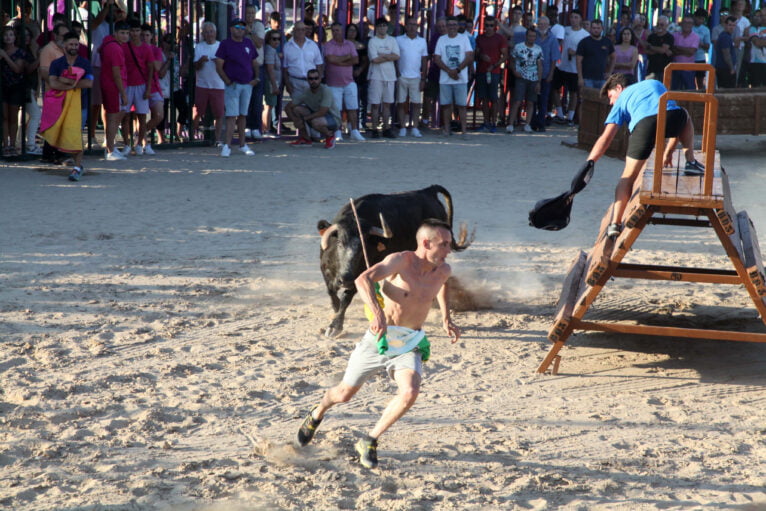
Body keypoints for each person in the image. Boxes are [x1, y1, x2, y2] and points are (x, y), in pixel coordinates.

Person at [295, 218, 460, 469]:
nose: (449, 250)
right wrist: (378, 312)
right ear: (426, 243)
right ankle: (316, 413)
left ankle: (370, 440)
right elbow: (363, 279)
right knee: (343, 394)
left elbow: (441, 287)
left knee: (410, 392)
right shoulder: (401, 261)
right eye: (445, 244)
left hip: (409, 341)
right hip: (379, 337)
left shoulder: (443, 270)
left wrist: (446, 317)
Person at [585, 74, 705, 239]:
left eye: (611, 96)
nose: (611, 102)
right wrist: (668, 151)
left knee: (627, 177)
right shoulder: (654, 83)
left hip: (644, 126)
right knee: (683, 113)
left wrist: (590, 162)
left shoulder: (622, 99)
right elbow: (670, 114)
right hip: (673, 118)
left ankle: (615, 224)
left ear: (619, 88)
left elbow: (606, 138)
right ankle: (690, 161)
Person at [41, 31, 93, 180]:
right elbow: (53, 82)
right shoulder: (57, 63)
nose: (74, 46)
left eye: (76, 44)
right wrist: (74, 84)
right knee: (62, 134)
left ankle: (77, 167)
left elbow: (89, 83)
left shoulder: (84, 63)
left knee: (76, 135)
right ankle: (70, 161)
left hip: (80, 105)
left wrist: (66, 81)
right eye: (71, 44)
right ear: (64, 45)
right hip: (60, 105)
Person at [215, 17, 259, 157]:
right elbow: (219, 65)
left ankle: (242, 144)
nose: (240, 30)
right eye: (237, 27)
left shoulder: (248, 43)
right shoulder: (225, 44)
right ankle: (227, 146)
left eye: (242, 28)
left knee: (242, 115)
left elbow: (255, 62)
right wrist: (227, 81)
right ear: (231, 29)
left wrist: (256, 78)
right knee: (231, 116)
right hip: (233, 85)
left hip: (247, 84)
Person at [324, 21, 363, 141]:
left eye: (338, 30)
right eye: (333, 30)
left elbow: (356, 60)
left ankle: (354, 131)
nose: (335, 33)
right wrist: (347, 57)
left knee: (353, 107)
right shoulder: (329, 45)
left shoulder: (349, 44)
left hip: (349, 81)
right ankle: (337, 132)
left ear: (342, 31)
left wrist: (339, 61)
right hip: (333, 83)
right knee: (337, 110)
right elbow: (330, 59)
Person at [434, 16, 473, 136]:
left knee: (461, 105)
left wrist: (457, 70)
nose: (452, 27)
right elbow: (436, 58)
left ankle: (464, 131)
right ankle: (447, 129)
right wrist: (449, 71)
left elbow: (469, 56)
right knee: (446, 105)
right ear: (447, 26)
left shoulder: (464, 38)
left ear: (458, 26)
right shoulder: (441, 39)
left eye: (454, 24)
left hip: (460, 78)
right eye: (450, 24)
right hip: (445, 78)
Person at [120, 17, 154, 155]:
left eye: (137, 30)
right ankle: (127, 144)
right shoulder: (124, 47)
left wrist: (149, 87)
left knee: (141, 116)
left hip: (141, 84)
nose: (134, 33)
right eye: (132, 31)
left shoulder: (146, 48)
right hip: (127, 85)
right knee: (126, 116)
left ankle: (140, 143)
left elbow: (151, 68)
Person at [284, 68, 340, 149]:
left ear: (320, 79)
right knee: (296, 109)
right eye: (311, 78)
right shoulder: (306, 92)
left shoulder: (325, 90)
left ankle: (330, 136)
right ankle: (306, 139)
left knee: (316, 122)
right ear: (307, 80)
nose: (313, 81)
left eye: (316, 78)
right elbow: (288, 107)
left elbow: (322, 112)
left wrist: (303, 119)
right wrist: (295, 120)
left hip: (333, 118)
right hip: (316, 116)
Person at [552, 9, 588, 126]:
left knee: (573, 93)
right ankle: (560, 114)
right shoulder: (565, 30)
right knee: (555, 89)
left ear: (580, 19)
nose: (573, 20)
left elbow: (586, 53)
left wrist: (576, 53)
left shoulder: (585, 35)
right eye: (572, 17)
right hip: (561, 65)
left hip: (575, 68)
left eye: (576, 17)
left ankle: (570, 117)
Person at [99, 20, 129, 160]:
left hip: (109, 84)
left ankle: (111, 147)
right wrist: (123, 93)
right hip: (114, 86)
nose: (125, 36)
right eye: (122, 33)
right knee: (113, 117)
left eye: (127, 33)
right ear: (115, 33)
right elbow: (116, 72)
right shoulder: (115, 48)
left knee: (113, 116)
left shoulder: (108, 43)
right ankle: (110, 150)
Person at [192, 21, 225, 145]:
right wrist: (201, 60)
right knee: (197, 111)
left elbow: (227, 65)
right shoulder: (199, 47)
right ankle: (193, 134)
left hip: (218, 85)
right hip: (202, 84)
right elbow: (195, 66)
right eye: (206, 32)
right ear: (202, 34)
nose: (209, 34)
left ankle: (217, 139)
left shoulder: (221, 46)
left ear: (215, 33)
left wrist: (219, 63)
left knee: (219, 113)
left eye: (211, 31)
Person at [367, 16, 400, 138]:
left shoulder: (392, 40)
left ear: (387, 27)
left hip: (390, 76)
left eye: (384, 26)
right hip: (376, 76)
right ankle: (375, 128)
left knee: (387, 104)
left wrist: (383, 56)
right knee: (375, 104)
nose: (382, 28)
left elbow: (397, 56)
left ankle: (386, 128)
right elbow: (374, 59)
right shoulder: (372, 41)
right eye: (380, 26)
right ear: (376, 28)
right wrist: (388, 56)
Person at [395, 16, 428, 137]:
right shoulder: (398, 40)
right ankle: (403, 127)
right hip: (402, 76)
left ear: (417, 27)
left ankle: (414, 127)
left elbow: (424, 60)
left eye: (415, 24)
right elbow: (395, 58)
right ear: (405, 26)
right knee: (401, 102)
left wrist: (423, 77)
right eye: (410, 24)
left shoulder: (422, 41)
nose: (412, 27)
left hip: (416, 77)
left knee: (416, 103)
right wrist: (397, 73)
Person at [474, 15, 507, 132]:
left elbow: (505, 56)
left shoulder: (500, 38)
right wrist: (480, 55)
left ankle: (493, 122)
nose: (488, 28)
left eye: (491, 25)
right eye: (486, 25)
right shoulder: (479, 38)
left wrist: (494, 65)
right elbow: (475, 54)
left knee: (494, 98)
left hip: (494, 72)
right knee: (483, 98)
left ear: (495, 26)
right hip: (482, 71)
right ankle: (486, 122)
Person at [0, 26, 29, 156]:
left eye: (11, 35)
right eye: (6, 35)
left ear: (15, 37)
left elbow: (17, 69)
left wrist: (5, 56)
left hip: (16, 86)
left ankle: (12, 144)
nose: (8, 37)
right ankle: (5, 144)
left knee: (13, 117)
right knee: (4, 117)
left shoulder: (20, 52)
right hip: (2, 86)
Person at [506, 27, 541, 134]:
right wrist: (514, 70)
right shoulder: (518, 47)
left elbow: (540, 65)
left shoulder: (538, 49)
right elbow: (511, 59)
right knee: (517, 101)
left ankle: (527, 124)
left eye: (534, 36)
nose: (531, 38)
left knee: (531, 102)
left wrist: (539, 82)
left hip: (533, 78)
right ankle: (510, 124)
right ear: (526, 36)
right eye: (530, 36)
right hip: (521, 77)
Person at [531, 15, 560, 132]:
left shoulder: (553, 39)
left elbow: (554, 59)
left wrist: (551, 74)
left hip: (546, 73)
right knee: (532, 99)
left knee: (543, 100)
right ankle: (532, 122)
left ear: (548, 26)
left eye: (544, 24)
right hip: (533, 73)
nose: (541, 26)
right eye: (539, 24)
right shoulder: (533, 37)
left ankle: (541, 123)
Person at [282, 22, 323, 103]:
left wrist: (318, 81)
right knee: (297, 108)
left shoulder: (313, 45)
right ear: (294, 30)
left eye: (303, 29)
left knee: (311, 107)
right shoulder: (287, 47)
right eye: (298, 30)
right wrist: (287, 84)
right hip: (295, 82)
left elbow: (319, 65)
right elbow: (285, 68)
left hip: (311, 82)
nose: (301, 32)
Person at [244, 4, 265, 140]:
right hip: (244, 66)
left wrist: (250, 32)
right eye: (248, 13)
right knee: (246, 98)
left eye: (253, 13)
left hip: (258, 65)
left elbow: (259, 43)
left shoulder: (258, 26)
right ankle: (246, 126)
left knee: (257, 99)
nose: (250, 16)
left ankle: (256, 127)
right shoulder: (240, 26)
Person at [141, 24, 163, 153]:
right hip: (139, 84)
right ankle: (144, 143)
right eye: (142, 35)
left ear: (152, 37)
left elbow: (157, 67)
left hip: (154, 86)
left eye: (147, 35)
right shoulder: (135, 48)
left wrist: (148, 52)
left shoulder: (155, 50)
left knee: (159, 115)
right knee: (141, 115)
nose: (144, 37)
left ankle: (140, 133)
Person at [576, 19, 615, 91]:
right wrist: (580, 77)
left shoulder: (607, 42)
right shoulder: (584, 42)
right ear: (590, 29)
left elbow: (613, 57)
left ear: (602, 29)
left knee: (601, 101)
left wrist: (609, 72)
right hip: (587, 78)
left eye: (598, 28)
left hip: (602, 78)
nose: (596, 30)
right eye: (594, 28)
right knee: (588, 101)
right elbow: (578, 61)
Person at [422, 16, 446, 128]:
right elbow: (429, 54)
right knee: (428, 98)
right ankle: (425, 121)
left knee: (446, 100)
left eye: (443, 26)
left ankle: (444, 122)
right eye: (439, 26)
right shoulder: (435, 37)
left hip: (448, 74)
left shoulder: (453, 37)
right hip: (435, 72)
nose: (441, 28)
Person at [346, 23, 368, 131]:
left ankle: (358, 123)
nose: (352, 32)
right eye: (350, 30)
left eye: (354, 30)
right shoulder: (343, 44)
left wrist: (360, 70)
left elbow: (365, 61)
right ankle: (345, 123)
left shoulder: (361, 45)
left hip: (358, 75)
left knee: (358, 101)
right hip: (344, 74)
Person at [671, 15, 700, 90]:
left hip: (688, 69)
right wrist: (685, 51)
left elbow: (691, 52)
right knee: (674, 91)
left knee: (690, 90)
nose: (687, 25)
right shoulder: (674, 35)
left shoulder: (695, 37)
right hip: (675, 68)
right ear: (681, 23)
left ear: (692, 25)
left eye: (689, 23)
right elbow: (672, 50)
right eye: (685, 22)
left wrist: (678, 48)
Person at [262, 30, 282, 135]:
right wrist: (274, 85)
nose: (277, 41)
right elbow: (270, 69)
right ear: (268, 39)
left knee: (269, 106)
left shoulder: (272, 50)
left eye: (278, 38)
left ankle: (266, 129)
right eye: (274, 39)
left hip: (272, 82)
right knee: (268, 106)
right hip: (270, 82)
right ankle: (266, 130)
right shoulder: (270, 50)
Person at [646, 16, 674, 80]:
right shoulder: (651, 36)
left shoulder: (669, 37)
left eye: (662, 25)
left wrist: (651, 47)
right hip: (651, 69)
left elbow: (662, 50)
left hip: (664, 70)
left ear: (667, 25)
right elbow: (646, 50)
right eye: (658, 24)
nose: (659, 26)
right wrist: (660, 49)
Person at [716, 16, 739, 89]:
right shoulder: (725, 37)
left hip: (725, 68)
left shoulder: (727, 36)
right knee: (727, 90)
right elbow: (726, 54)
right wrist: (732, 68)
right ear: (725, 25)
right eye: (730, 25)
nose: (732, 27)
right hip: (725, 69)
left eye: (733, 25)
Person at [692, 8, 712, 90]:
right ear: (695, 17)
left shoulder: (705, 30)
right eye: (699, 18)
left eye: (702, 19)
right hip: (689, 57)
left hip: (700, 57)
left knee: (700, 81)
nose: (700, 20)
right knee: (689, 80)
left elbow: (708, 45)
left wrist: (700, 44)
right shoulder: (689, 27)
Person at [746, 9, 766, 87]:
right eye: (759, 15)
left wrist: (762, 41)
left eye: (763, 15)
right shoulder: (753, 29)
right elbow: (757, 43)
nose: (762, 18)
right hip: (756, 63)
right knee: (756, 87)